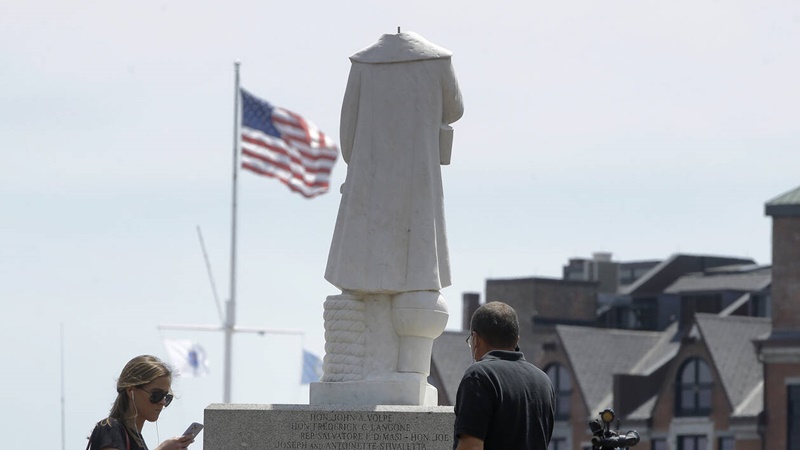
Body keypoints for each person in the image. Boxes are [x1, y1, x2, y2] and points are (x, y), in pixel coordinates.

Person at [453, 302, 556, 450]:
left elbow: (471, 446)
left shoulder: (479, 376)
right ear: (516, 339)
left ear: (475, 339)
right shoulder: (544, 381)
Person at [86, 355, 195, 450]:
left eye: (166, 397)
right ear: (131, 391)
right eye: (156, 395)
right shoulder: (109, 428)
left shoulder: (138, 441)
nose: (162, 402)